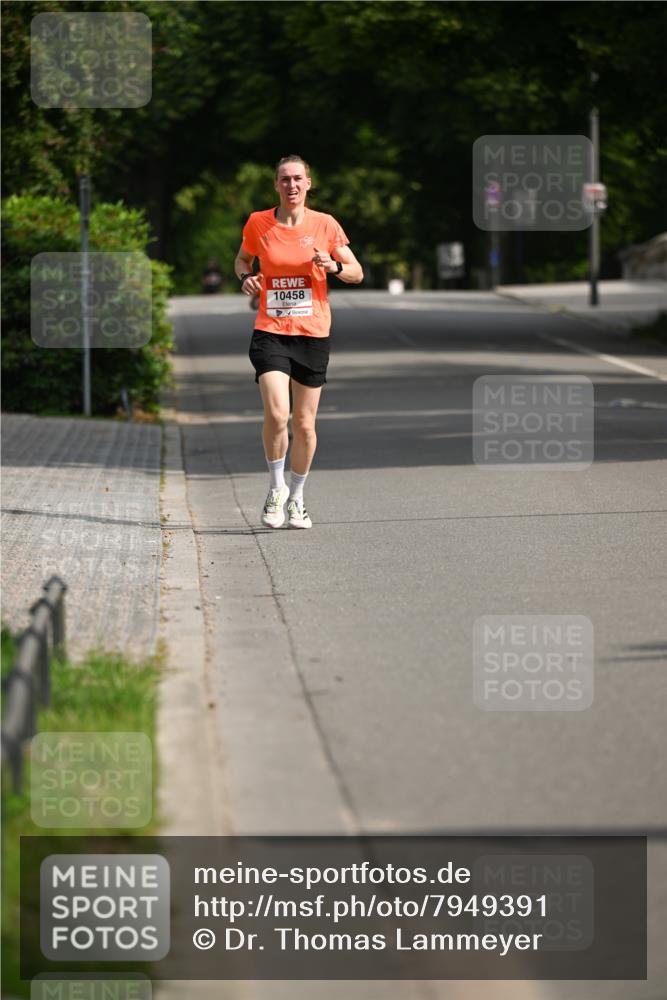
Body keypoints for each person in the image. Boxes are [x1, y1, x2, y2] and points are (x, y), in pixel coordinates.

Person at [235, 155, 363, 529]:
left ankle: (297, 497)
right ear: (276, 185)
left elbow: (356, 272)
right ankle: (276, 489)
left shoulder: (325, 224)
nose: (291, 185)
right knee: (278, 414)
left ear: (308, 183)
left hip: (312, 333)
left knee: (304, 425)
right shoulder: (258, 222)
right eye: (284, 179)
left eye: (297, 179)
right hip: (271, 330)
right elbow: (242, 260)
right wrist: (245, 278)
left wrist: (333, 266)